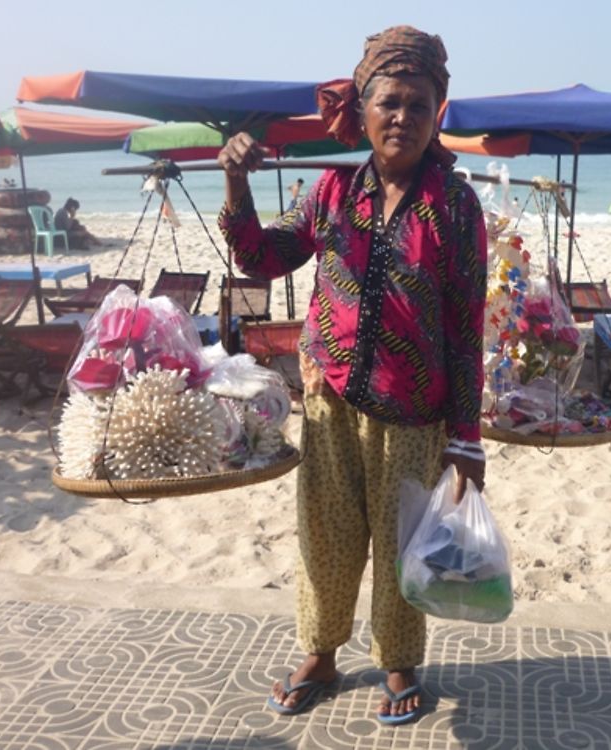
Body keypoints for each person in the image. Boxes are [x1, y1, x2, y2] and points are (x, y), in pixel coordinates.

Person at [217, 25, 487, 726]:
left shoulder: (456, 208)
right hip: (331, 403)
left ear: (439, 113)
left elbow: (464, 328)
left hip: (414, 413)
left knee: (404, 547)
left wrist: (467, 439)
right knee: (327, 541)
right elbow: (261, 258)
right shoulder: (333, 189)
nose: (403, 118)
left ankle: (398, 659)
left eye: (419, 105)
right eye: (389, 103)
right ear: (362, 110)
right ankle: (323, 652)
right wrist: (235, 180)